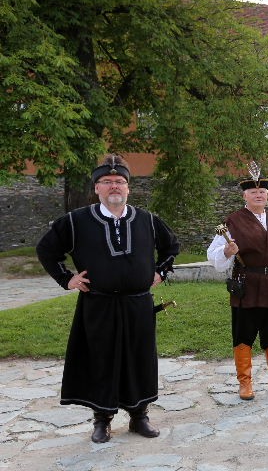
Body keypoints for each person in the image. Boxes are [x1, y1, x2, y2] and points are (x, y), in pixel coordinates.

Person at [36, 154, 180, 444]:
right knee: (102, 360)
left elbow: (171, 246)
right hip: (98, 305)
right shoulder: (76, 221)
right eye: (107, 181)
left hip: (138, 304)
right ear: (97, 188)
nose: (114, 186)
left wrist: (161, 272)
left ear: (128, 188)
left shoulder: (147, 220)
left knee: (139, 360)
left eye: (119, 181)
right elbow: (46, 249)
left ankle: (139, 416)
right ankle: (102, 419)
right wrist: (67, 279)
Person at [207, 174, 268, 399]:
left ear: (267, 196)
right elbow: (213, 254)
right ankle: (245, 383)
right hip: (247, 286)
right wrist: (226, 251)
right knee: (244, 334)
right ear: (245, 196)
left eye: (262, 192)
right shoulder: (233, 222)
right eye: (253, 192)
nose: (258, 195)